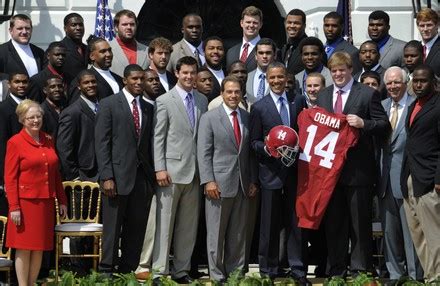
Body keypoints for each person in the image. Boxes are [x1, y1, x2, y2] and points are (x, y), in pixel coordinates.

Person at [316, 51, 390, 277]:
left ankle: (361, 270)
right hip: (331, 172)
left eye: (342, 70)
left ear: (351, 70)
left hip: (358, 172)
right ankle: (337, 270)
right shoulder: (323, 95)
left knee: (360, 224)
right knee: (334, 224)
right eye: (334, 70)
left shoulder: (367, 94)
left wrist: (363, 123)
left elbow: (384, 126)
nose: (338, 74)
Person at [250, 62, 309, 284]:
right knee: (269, 225)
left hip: (295, 174)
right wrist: (266, 148)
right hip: (270, 173)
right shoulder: (259, 107)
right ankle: (268, 270)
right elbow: (253, 142)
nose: (276, 81)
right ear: (267, 79)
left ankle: (298, 269)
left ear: (286, 78)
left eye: (280, 77)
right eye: (272, 78)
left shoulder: (298, 100)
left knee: (296, 223)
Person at [152, 56, 208, 284]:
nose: (189, 77)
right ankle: (159, 271)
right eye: (185, 73)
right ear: (177, 73)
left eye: (192, 73)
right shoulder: (165, 100)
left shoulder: (202, 100)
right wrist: (160, 168)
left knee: (188, 226)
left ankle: (181, 270)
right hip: (171, 172)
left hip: (195, 173)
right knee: (164, 224)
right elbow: (158, 137)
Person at [95, 64, 155, 274]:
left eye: (142, 79)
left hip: (141, 179)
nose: (139, 83)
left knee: (137, 227)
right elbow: (102, 143)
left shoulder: (148, 107)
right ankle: (106, 270)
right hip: (116, 178)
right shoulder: (109, 104)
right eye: (135, 79)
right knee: (112, 227)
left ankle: (128, 269)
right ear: (125, 80)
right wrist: (107, 176)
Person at [198, 76, 258, 283]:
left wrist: (252, 180)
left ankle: (236, 273)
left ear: (242, 94)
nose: (233, 95)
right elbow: (203, 153)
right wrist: (208, 181)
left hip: (243, 183)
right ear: (222, 94)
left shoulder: (247, 117)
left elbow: (249, 153)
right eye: (229, 92)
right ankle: (216, 275)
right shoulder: (209, 118)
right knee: (216, 233)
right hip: (218, 184)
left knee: (239, 234)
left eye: (237, 92)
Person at [4, 99, 67, 286]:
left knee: (39, 247)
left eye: (38, 116)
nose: (35, 120)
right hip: (25, 204)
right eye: (30, 117)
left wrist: (62, 199)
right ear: (22, 120)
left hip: (45, 202)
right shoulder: (15, 142)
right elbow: (10, 178)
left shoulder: (48, 139)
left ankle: (31, 283)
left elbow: (55, 173)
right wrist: (14, 206)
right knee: (24, 248)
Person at [378, 66, 423, 282]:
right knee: (389, 234)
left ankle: (415, 277)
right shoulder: (381, 106)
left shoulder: (416, 107)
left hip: (408, 180)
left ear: (406, 83)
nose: (393, 86)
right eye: (389, 83)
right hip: (383, 180)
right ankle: (395, 275)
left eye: (397, 82)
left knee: (411, 233)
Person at [401, 65, 440, 282]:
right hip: (410, 177)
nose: (418, 84)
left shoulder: (438, 104)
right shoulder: (412, 105)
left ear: (432, 82)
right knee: (418, 233)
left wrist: (439, 178)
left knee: (434, 234)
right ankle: (430, 277)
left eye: (423, 81)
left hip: (430, 179)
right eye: (415, 80)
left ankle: (438, 277)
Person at [135, 68, 162, 281]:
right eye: (149, 79)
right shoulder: (139, 107)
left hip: (158, 173)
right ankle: (141, 263)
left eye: (156, 79)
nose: (154, 83)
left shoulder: (160, 105)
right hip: (138, 173)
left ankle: (155, 262)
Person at [57, 70, 99, 182]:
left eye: (93, 82)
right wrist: (74, 176)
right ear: (79, 86)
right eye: (86, 83)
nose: (91, 85)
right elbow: (64, 147)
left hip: (104, 173)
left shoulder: (104, 107)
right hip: (84, 176)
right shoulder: (71, 113)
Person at [0, 73, 29, 216]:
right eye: (17, 82)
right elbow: (2, 143)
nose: (21, 85)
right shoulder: (3, 109)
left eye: (24, 82)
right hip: (11, 169)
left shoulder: (32, 106)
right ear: (9, 84)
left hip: (29, 169)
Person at [69, 37, 123, 104]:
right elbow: (76, 108)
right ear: (92, 56)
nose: (108, 54)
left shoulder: (119, 79)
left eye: (109, 50)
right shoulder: (83, 80)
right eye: (103, 51)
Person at [109, 10, 149, 77]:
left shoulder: (147, 50)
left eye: (132, 24)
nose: (129, 27)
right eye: (124, 24)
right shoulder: (107, 49)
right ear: (116, 27)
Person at [226, 6, 263, 72]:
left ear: (260, 25)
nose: (251, 25)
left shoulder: (270, 51)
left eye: (255, 23)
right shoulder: (231, 52)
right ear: (241, 23)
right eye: (248, 22)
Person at [245, 38, 276, 104]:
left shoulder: (280, 78)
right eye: (261, 53)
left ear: (275, 55)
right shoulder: (247, 77)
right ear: (256, 56)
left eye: (268, 53)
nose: (264, 56)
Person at [61, 13, 88, 84]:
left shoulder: (88, 49)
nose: (78, 28)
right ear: (65, 28)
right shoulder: (58, 49)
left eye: (81, 25)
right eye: (74, 25)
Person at [281, 9, 308, 76]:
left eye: (296, 23)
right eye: (289, 22)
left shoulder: (311, 47)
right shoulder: (285, 48)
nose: (292, 26)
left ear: (304, 26)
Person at [416, 8, 440, 77]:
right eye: (422, 26)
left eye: (429, 25)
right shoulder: (415, 47)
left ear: (437, 25)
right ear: (418, 27)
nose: (425, 29)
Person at [203, 36, 225, 102]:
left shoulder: (229, 73)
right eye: (211, 48)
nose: (215, 51)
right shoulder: (199, 74)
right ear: (204, 52)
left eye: (219, 48)